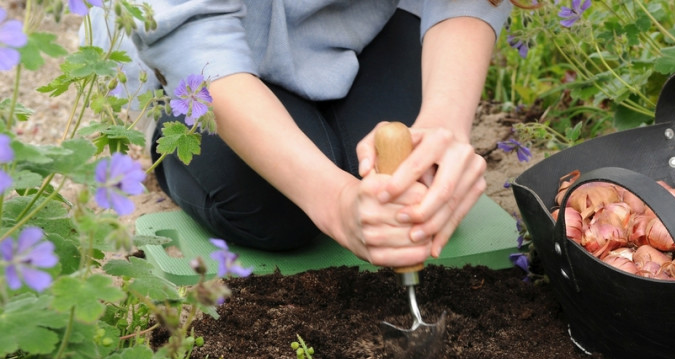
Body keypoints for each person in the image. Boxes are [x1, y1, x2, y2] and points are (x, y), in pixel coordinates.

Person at [89, 1, 515, 268]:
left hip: (365, 20)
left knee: (408, 185)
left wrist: (445, 123)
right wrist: (333, 200)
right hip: (210, 49)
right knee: (273, 208)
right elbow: (192, 32)